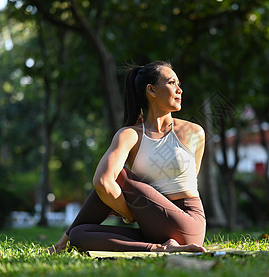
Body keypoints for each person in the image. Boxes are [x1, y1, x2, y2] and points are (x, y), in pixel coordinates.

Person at [48, 61, 207, 253]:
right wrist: (133, 212)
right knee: (79, 235)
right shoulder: (130, 135)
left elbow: (190, 181)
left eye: (179, 84)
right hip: (152, 226)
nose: (179, 89)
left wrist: (130, 214)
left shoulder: (194, 132)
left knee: (118, 176)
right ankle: (158, 248)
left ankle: (60, 243)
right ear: (152, 90)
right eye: (172, 83)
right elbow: (102, 183)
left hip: (187, 225)